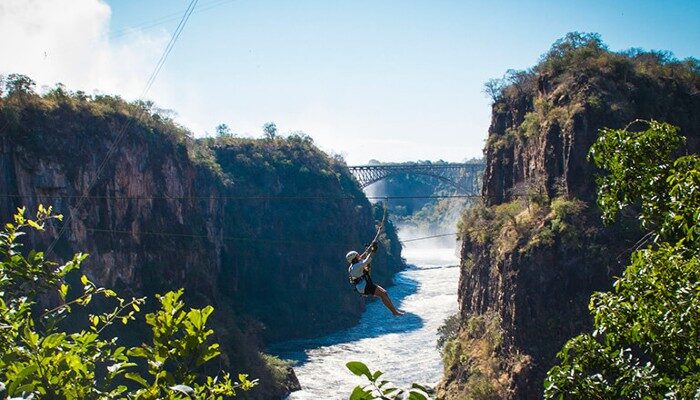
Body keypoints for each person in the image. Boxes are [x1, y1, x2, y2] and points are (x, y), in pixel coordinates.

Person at [346, 242, 404, 316]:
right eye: (357, 255)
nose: (359, 256)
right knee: (383, 294)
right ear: (354, 258)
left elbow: (362, 259)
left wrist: (368, 250)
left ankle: (394, 310)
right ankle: (394, 312)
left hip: (364, 285)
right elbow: (367, 260)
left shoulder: (352, 266)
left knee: (384, 293)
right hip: (365, 286)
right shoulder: (356, 266)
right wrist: (373, 250)